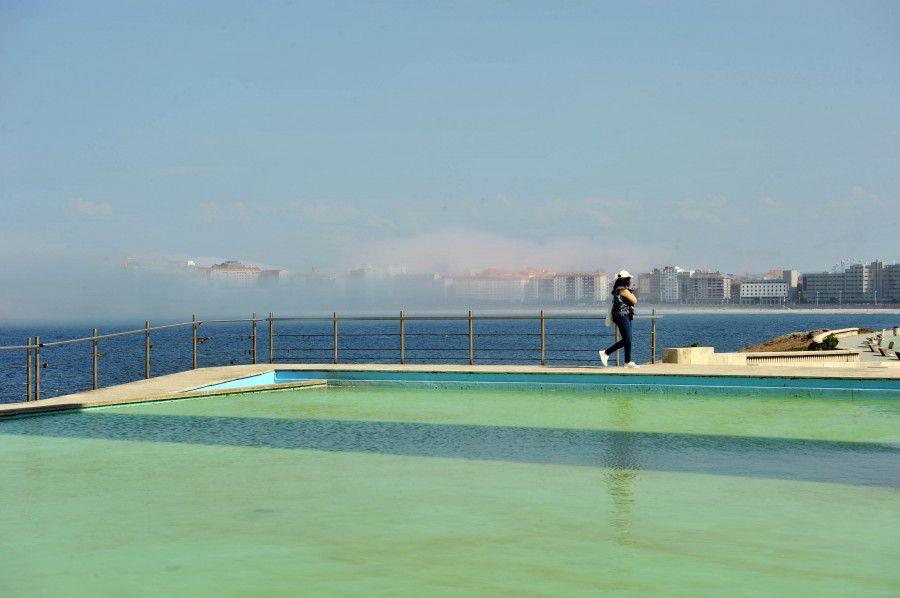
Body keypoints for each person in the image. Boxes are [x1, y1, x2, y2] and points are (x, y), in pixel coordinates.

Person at [600, 270, 640, 368]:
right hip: (622, 315)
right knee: (627, 339)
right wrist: (632, 292)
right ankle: (606, 352)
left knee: (629, 339)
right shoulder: (624, 290)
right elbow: (635, 300)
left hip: (625, 315)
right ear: (627, 280)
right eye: (629, 279)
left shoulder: (619, 289)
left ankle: (627, 361)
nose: (630, 281)